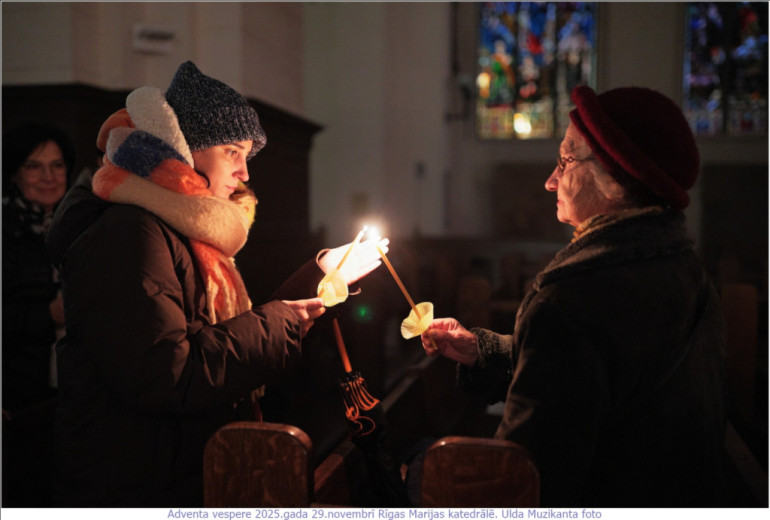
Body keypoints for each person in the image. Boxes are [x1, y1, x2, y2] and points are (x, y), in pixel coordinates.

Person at [45, 61, 387, 507]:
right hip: (135, 484)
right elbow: (167, 374)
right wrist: (280, 321)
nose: (245, 172)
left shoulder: (176, 226)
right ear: (186, 149)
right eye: (232, 151)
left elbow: (218, 335)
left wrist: (322, 275)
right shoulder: (129, 233)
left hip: (173, 465)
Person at [421, 85, 728, 507]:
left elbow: (527, 478)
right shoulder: (683, 269)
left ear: (615, 180)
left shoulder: (570, 299)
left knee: (414, 469)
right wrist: (483, 351)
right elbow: (593, 380)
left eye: (565, 160)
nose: (551, 181)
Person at [2, 122, 75, 506]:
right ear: (14, 172)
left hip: (71, 392)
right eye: (34, 166)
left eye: (57, 165)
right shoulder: (5, 230)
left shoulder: (79, 223)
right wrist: (49, 314)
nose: (48, 177)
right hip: (17, 394)